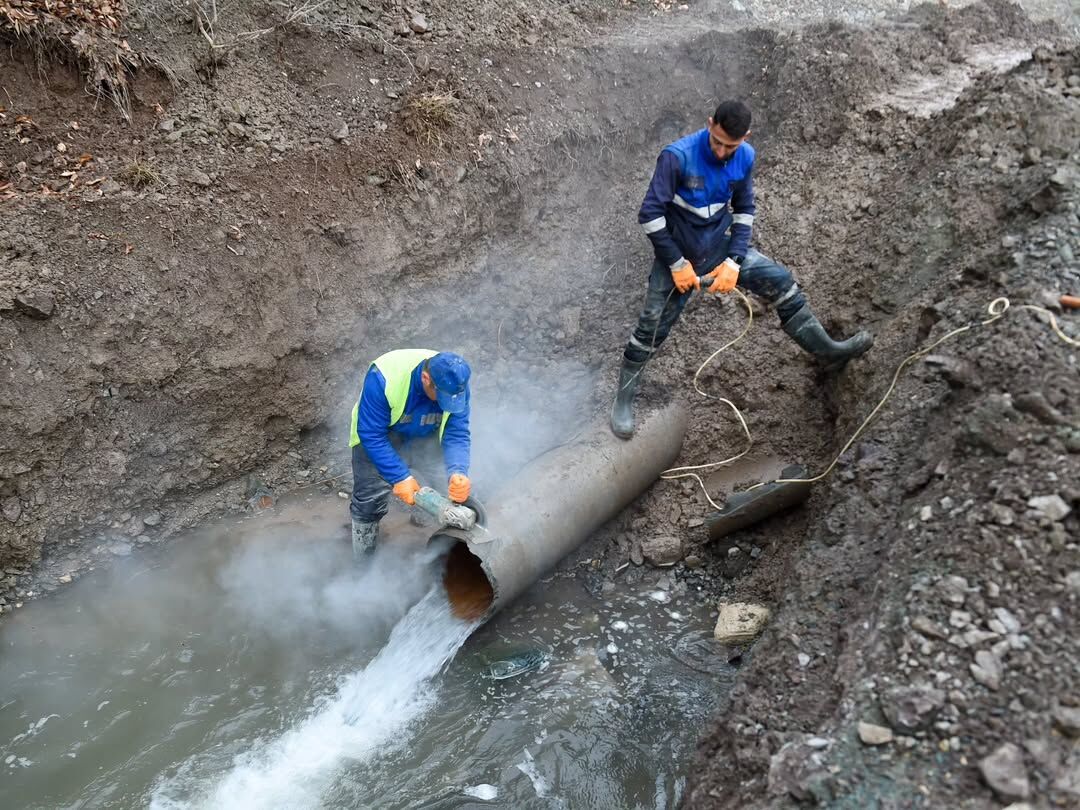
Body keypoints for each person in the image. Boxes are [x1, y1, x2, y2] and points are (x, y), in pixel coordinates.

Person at [610, 100, 873, 439]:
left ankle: (827, 352)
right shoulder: (677, 157)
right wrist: (677, 264)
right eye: (717, 141)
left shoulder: (745, 156)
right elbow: (650, 215)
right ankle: (624, 400)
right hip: (676, 253)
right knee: (651, 326)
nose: (721, 152)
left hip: (719, 248)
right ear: (709, 124)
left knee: (781, 283)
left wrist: (733, 262)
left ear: (744, 138)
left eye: (730, 146)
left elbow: (745, 208)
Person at [348, 349, 472, 558]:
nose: (446, 403)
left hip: (425, 434)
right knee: (369, 499)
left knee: (451, 493)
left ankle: (456, 559)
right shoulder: (383, 378)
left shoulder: (456, 385)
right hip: (380, 436)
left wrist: (458, 470)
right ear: (426, 379)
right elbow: (371, 433)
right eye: (441, 397)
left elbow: (457, 432)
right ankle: (363, 558)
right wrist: (400, 477)